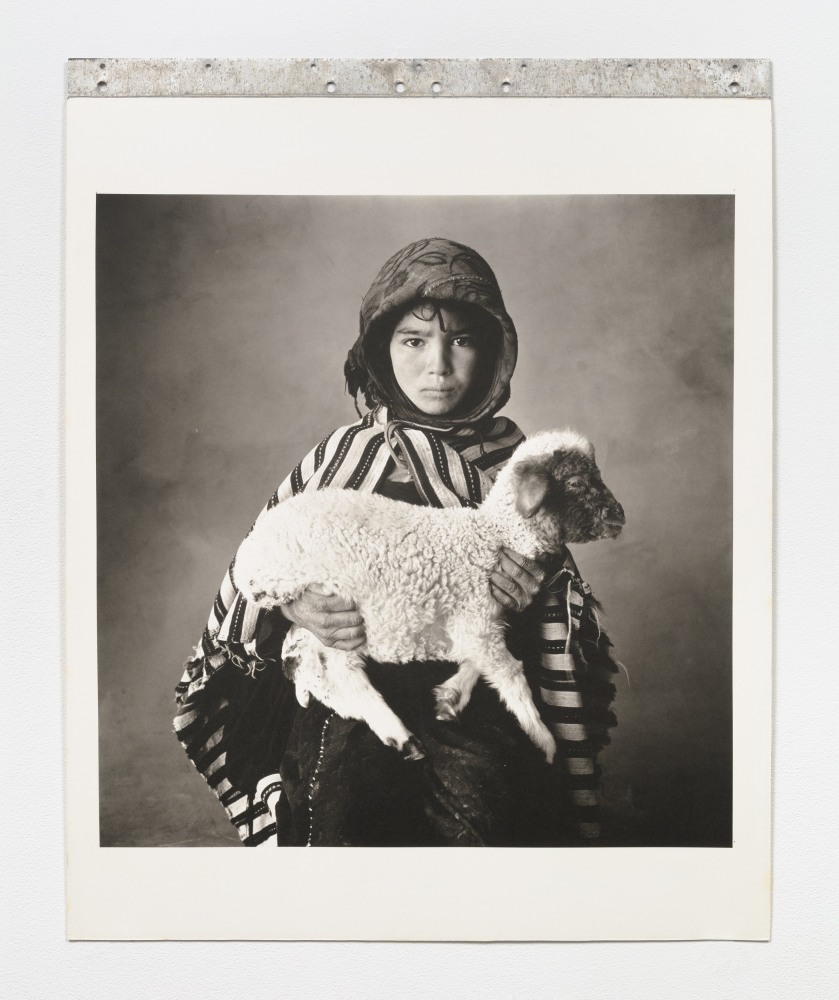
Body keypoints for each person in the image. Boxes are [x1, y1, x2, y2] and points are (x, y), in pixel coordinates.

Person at [174, 237, 618, 847]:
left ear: (494, 352)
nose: (438, 364)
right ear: (382, 350)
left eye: (461, 340)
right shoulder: (341, 457)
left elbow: (557, 610)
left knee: (488, 822)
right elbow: (259, 568)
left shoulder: (519, 467)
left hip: (469, 695)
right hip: (350, 683)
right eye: (414, 340)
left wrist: (527, 595)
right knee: (344, 813)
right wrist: (296, 605)